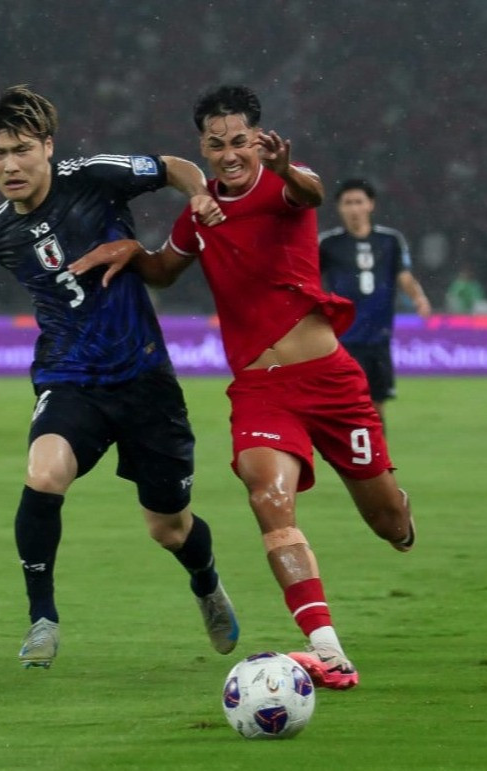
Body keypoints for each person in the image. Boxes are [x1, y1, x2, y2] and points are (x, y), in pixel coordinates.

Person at [70, 85, 415, 690]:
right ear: (201, 147)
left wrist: (284, 168)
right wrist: (133, 249)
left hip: (330, 381)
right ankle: (328, 649)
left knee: (390, 526)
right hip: (260, 390)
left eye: (239, 142)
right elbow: (165, 272)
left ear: (258, 140)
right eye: (215, 144)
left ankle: (396, 504)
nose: (228, 154)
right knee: (268, 501)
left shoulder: (284, 183)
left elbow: (310, 192)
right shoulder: (198, 216)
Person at [0, 85, 238, 669]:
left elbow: (175, 167)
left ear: (47, 146)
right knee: (44, 473)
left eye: (21, 150)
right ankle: (42, 619)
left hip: (144, 378)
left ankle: (207, 583)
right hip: (70, 378)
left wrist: (198, 197)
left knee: (168, 527)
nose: (10, 166)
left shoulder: (94, 175)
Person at [318, 179, 432, 427]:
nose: (354, 208)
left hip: (379, 337)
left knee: (377, 406)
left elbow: (404, 275)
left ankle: (379, 462)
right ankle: (352, 459)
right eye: (347, 203)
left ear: (370, 205)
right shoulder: (328, 244)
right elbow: (309, 279)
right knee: (347, 405)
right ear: (339, 208)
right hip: (342, 338)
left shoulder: (389, 240)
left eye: (359, 201)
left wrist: (418, 298)